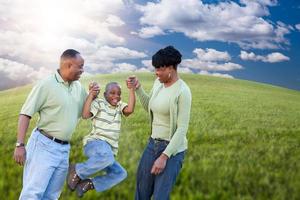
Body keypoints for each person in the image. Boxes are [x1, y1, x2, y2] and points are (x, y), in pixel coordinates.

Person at [13, 49, 99, 200]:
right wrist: (20, 145)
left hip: (63, 149)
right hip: (43, 146)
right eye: (80, 66)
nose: (82, 70)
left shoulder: (77, 87)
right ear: (68, 65)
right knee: (33, 194)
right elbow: (25, 114)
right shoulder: (46, 85)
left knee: (52, 196)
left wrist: (92, 94)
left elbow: (86, 113)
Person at [127, 46, 192, 200]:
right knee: (141, 192)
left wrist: (164, 157)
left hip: (172, 150)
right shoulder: (158, 83)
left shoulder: (183, 91)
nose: (156, 73)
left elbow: (182, 129)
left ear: (171, 68)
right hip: (152, 145)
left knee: (160, 197)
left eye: (159, 69)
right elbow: (150, 105)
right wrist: (138, 88)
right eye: (155, 69)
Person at [67, 80, 135, 197]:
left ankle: (88, 183)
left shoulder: (120, 106)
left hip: (108, 150)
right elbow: (85, 115)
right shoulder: (99, 103)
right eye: (112, 93)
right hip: (95, 143)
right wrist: (91, 95)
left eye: (118, 94)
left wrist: (132, 90)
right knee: (107, 158)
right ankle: (77, 170)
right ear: (105, 95)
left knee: (121, 173)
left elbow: (129, 110)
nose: (116, 96)